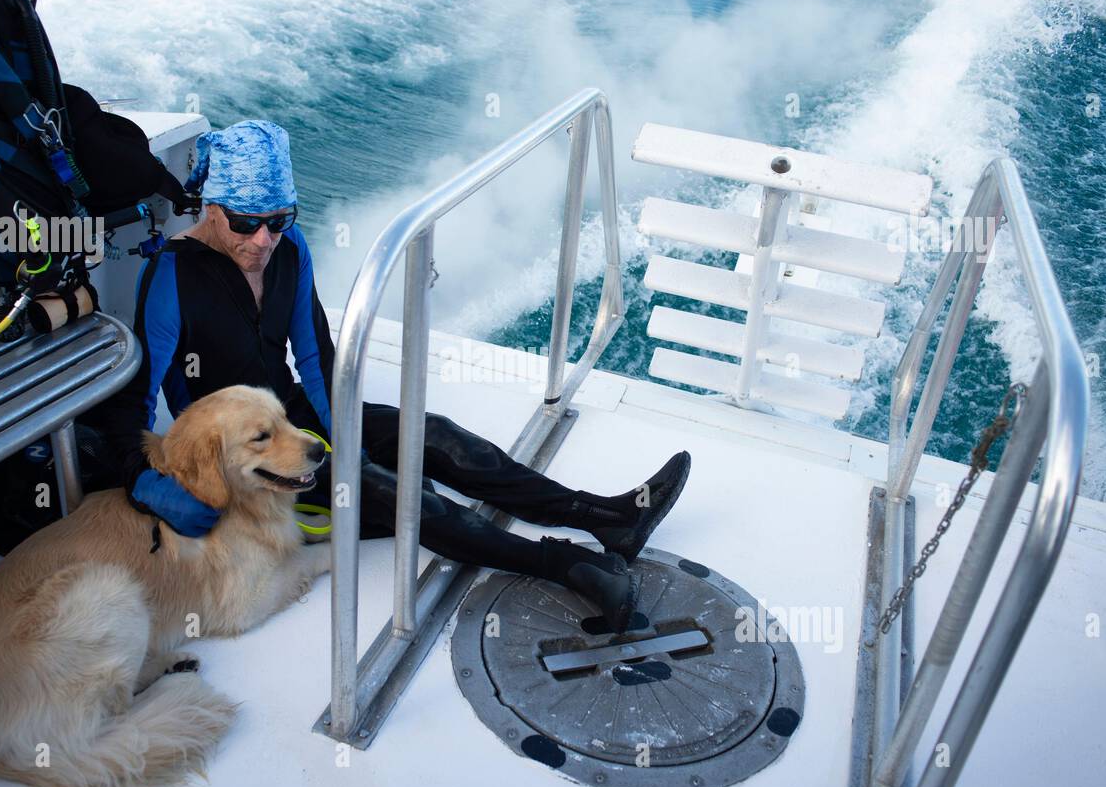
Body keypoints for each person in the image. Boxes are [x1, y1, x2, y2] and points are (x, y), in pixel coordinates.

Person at [97, 120, 691, 632]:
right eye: (247, 223)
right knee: (403, 493)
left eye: (279, 221)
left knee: (436, 436)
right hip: (244, 458)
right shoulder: (171, 279)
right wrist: (145, 481)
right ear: (211, 207)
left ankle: (608, 519)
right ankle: (568, 567)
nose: (263, 241)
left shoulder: (289, 248)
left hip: (290, 415)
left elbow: (315, 359)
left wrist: (344, 440)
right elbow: (137, 402)